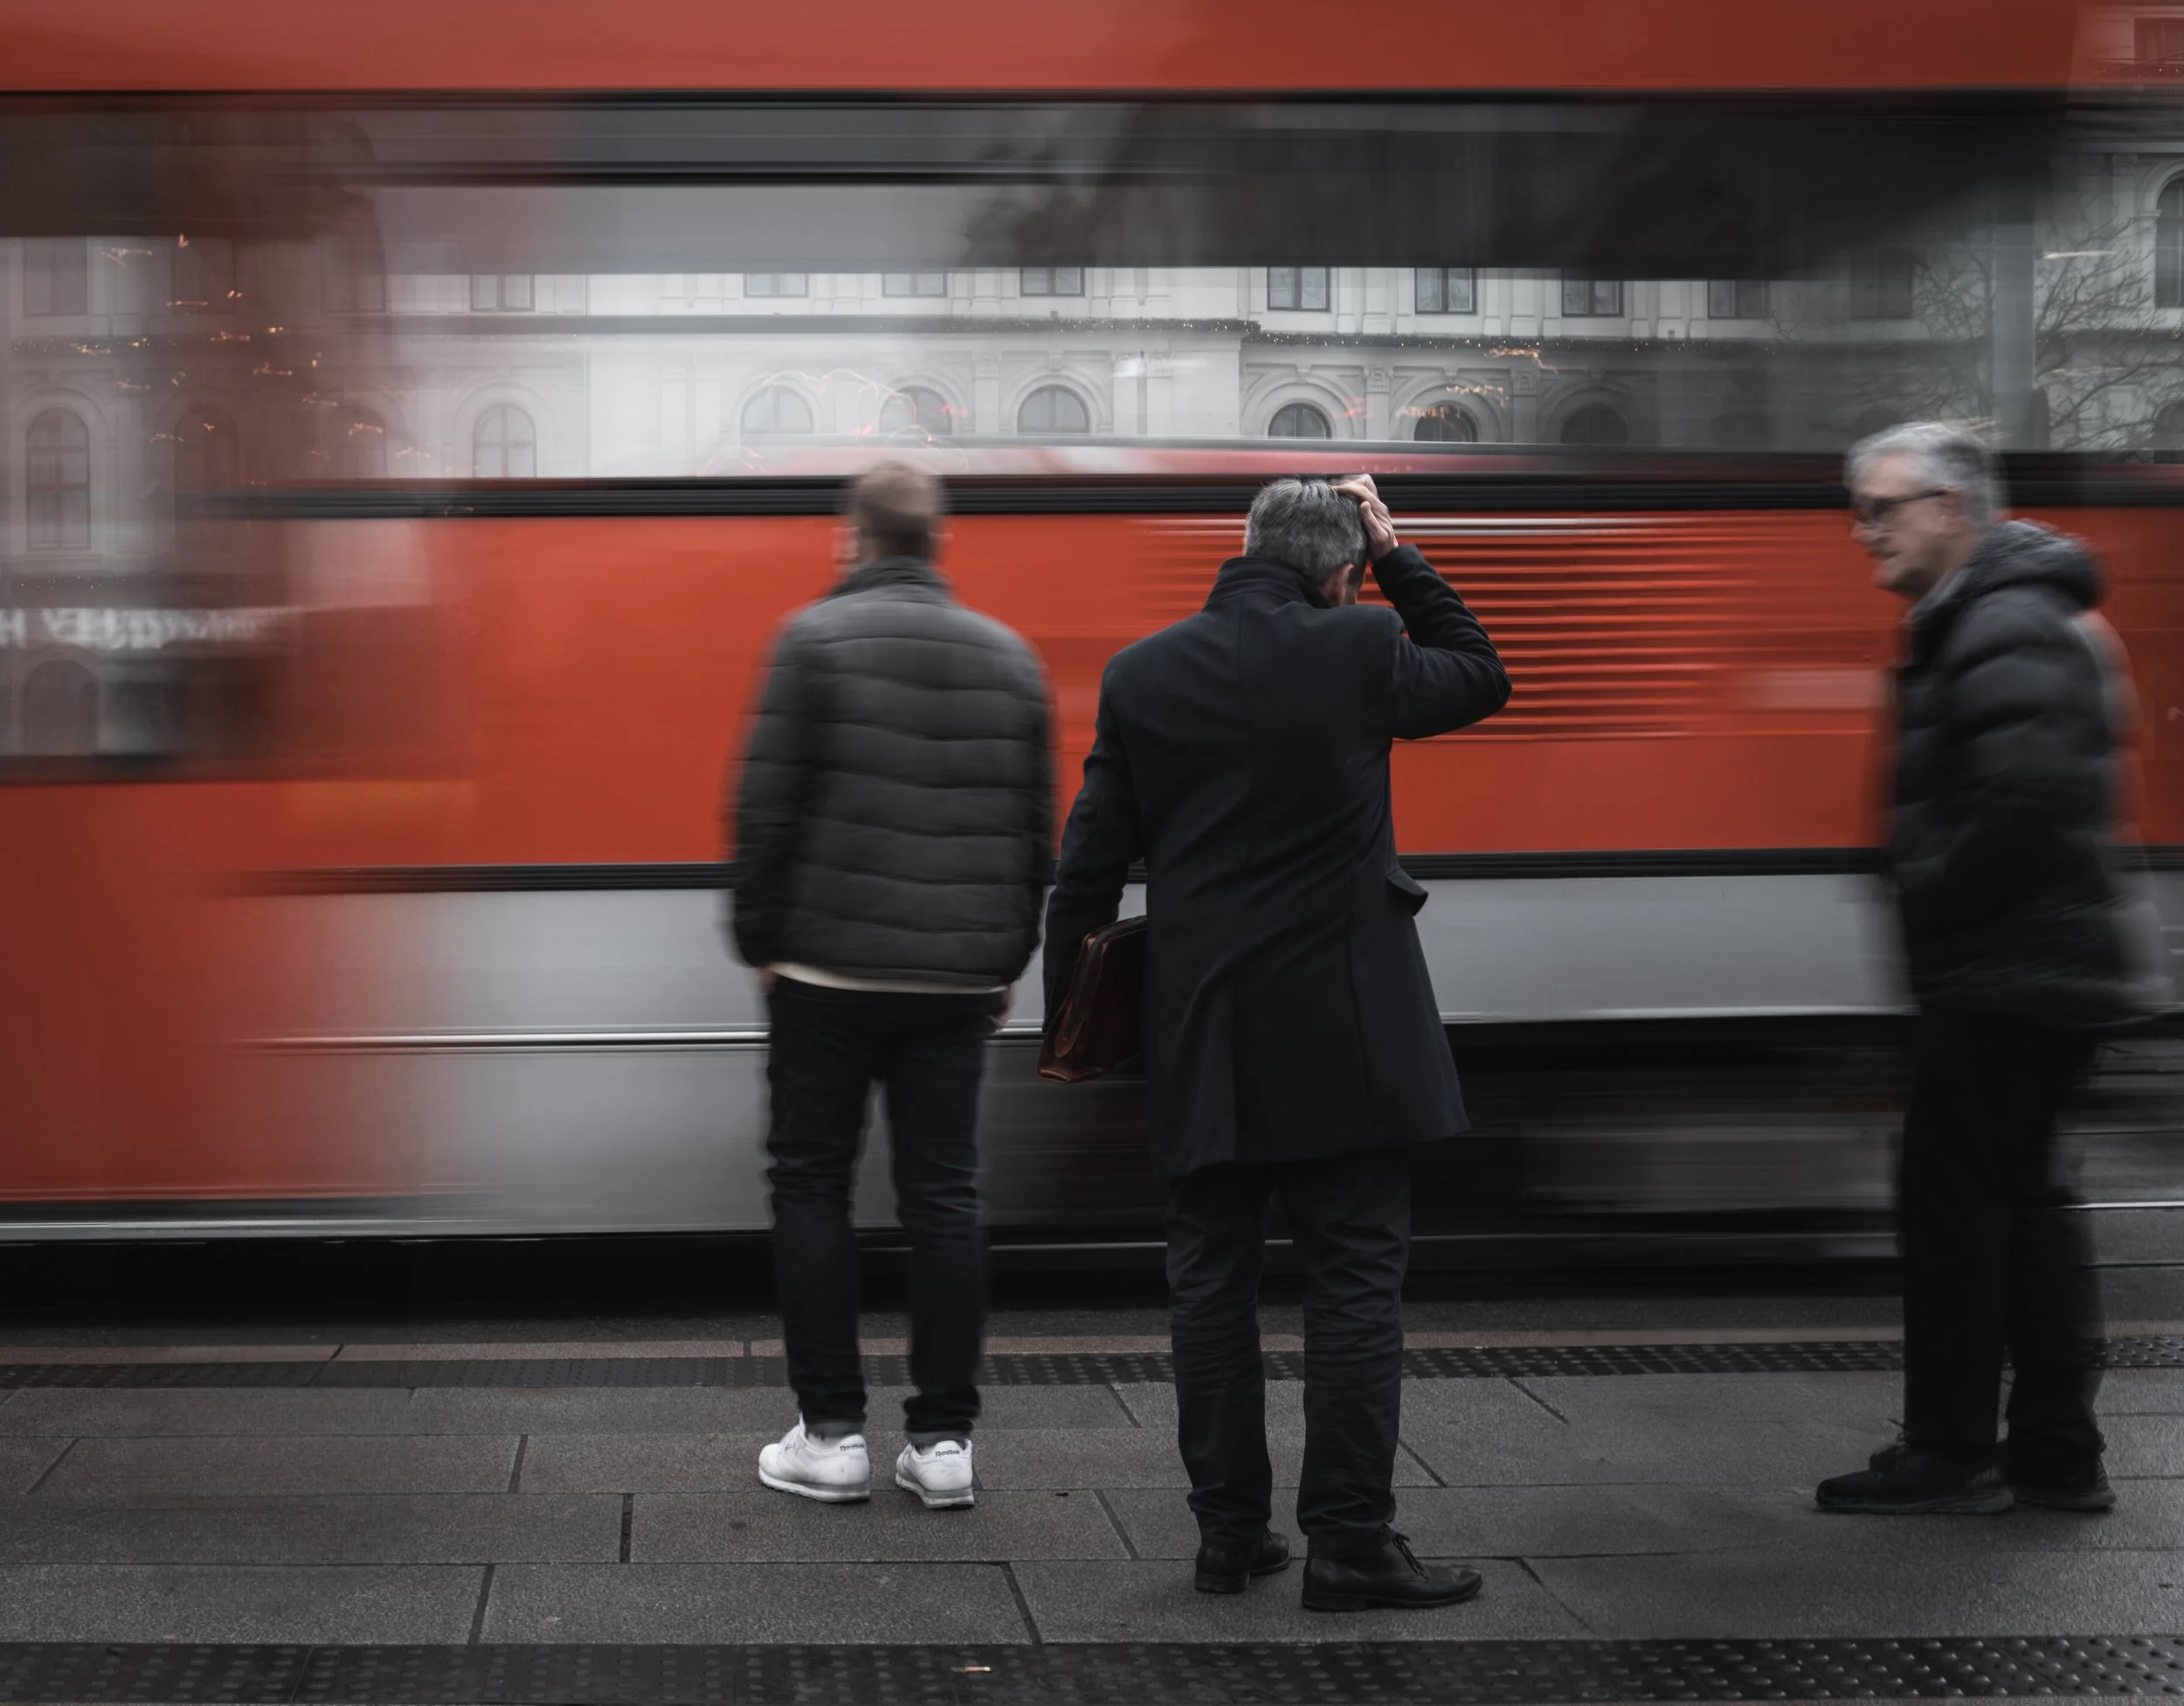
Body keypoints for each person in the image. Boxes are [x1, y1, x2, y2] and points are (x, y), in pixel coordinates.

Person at [1044, 475, 1510, 1609]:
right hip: (1347, 1027)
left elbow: (1089, 864)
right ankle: (1350, 1542)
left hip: (1200, 1026)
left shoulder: (1141, 672)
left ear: (1243, 551)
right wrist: (1401, 556)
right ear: (1340, 568)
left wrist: (1077, 1027)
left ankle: (1230, 1536)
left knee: (1210, 1280)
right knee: (1352, 1278)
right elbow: (1480, 676)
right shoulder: (1357, 645)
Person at [1817, 422, 2169, 1516]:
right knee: (2024, 1207)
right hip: (2037, 966)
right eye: (1858, 508)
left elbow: (2023, 801)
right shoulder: (1997, 616)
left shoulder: (2004, 620)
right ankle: (2056, 1452)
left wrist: (1922, 885)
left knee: (1958, 1210)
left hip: (2011, 970)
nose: (1863, 529)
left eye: (1882, 507)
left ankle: (1952, 1449)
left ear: (1951, 507)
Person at [726, 460, 1054, 1510]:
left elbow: (764, 811)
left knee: (813, 1186)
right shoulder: (1010, 659)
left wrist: (761, 944)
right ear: (937, 543)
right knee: (945, 1198)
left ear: (849, 539)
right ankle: (944, 1444)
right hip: (955, 980)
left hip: (826, 971)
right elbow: (1032, 835)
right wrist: (1002, 961)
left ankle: (831, 1438)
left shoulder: (808, 642)